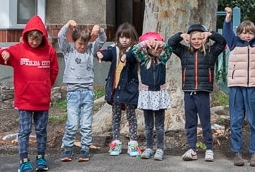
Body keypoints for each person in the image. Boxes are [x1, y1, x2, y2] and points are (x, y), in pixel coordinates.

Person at [0, 15, 59, 172]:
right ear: (26, 36)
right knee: (24, 131)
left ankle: (41, 158)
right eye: (31, 39)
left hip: (42, 100)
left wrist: (46, 86)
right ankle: (24, 160)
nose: (34, 43)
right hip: (24, 101)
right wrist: (3, 53)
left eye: (37, 39)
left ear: (43, 37)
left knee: (41, 130)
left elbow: (54, 71)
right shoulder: (18, 50)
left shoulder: (49, 51)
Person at [168, 24, 226, 162]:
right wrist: (181, 35)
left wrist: (210, 34)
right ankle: (192, 149)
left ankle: (209, 149)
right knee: (190, 122)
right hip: (189, 92)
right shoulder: (183, 52)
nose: (196, 41)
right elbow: (171, 43)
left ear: (204, 39)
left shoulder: (211, 51)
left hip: (203, 92)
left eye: (200, 38)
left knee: (205, 122)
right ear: (189, 39)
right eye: (193, 38)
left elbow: (222, 42)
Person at [223, 6, 255, 167]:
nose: (247, 35)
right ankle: (237, 152)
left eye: (250, 32)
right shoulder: (234, 43)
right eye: (244, 32)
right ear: (239, 33)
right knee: (236, 120)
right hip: (236, 86)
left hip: (253, 87)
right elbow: (226, 31)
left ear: (254, 34)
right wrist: (228, 17)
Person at [58, 19, 106, 162]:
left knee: (86, 124)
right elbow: (60, 37)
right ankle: (67, 149)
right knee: (72, 124)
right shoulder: (68, 50)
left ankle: (85, 149)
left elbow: (102, 39)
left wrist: (99, 29)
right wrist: (67, 25)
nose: (82, 47)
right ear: (74, 42)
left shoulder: (91, 50)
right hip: (73, 92)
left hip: (87, 92)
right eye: (80, 43)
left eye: (84, 44)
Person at [125, 31, 173, 161]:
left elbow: (170, 49)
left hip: (159, 94)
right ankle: (149, 147)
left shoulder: (163, 59)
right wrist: (144, 43)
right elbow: (134, 51)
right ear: (147, 49)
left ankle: (160, 148)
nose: (156, 50)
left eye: (158, 48)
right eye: (153, 47)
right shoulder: (143, 59)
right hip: (147, 95)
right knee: (148, 125)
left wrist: (161, 44)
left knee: (160, 125)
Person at [96, 23, 140, 157]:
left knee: (131, 117)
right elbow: (107, 53)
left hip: (130, 90)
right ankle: (116, 142)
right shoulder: (114, 49)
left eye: (127, 37)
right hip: (115, 90)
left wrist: (127, 56)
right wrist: (101, 54)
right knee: (115, 117)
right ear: (118, 38)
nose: (124, 40)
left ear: (132, 38)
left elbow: (133, 56)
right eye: (121, 37)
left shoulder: (135, 50)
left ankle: (133, 143)